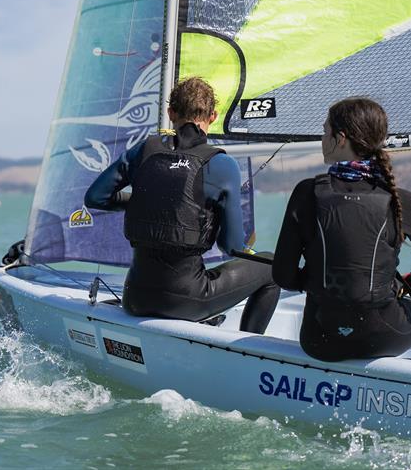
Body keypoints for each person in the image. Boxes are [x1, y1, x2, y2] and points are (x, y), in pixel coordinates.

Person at [272, 97, 411, 368]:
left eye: (325, 131)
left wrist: (317, 281)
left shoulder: (306, 193)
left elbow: (283, 276)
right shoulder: (399, 200)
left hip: (319, 340)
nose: (322, 139)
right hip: (380, 337)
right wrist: (406, 283)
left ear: (340, 139)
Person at [84, 77, 280, 333]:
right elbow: (231, 246)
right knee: (272, 267)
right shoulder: (221, 164)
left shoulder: (144, 150)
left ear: (170, 113)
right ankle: (247, 350)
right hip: (187, 300)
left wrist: (144, 201)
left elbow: (95, 197)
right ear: (213, 116)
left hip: (136, 298)